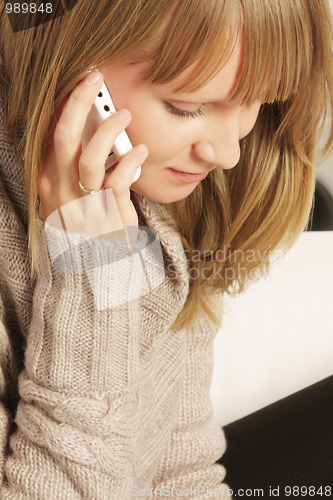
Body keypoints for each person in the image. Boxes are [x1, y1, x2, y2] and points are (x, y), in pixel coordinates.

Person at [0, 0, 333, 497]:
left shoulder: (154, 196)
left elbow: (181, 468)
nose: (228, 153)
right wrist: (95, 269)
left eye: (261, 99)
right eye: (187, 106)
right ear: (68, 63)